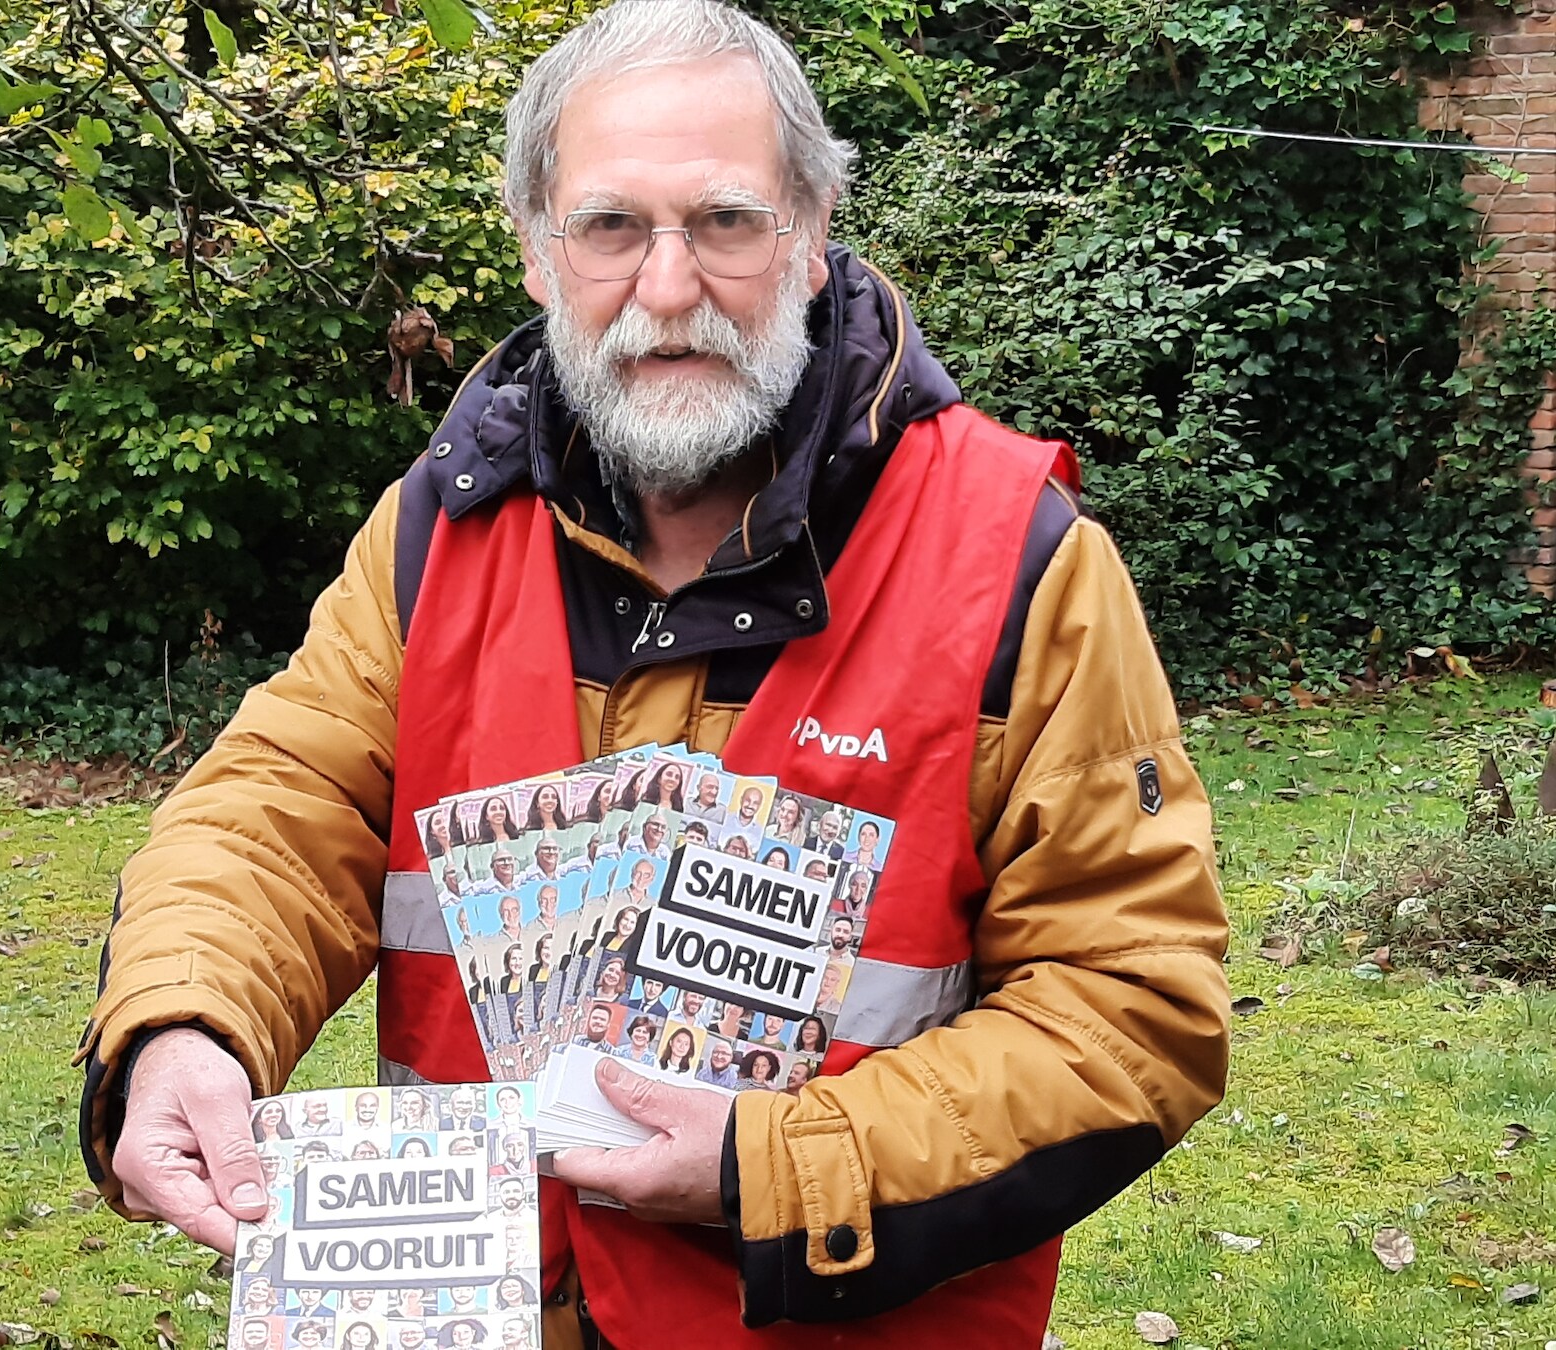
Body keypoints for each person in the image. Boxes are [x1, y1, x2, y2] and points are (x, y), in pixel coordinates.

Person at [88, 5, 1229, 1347]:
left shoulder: (1018, 561)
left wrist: (777, 1168)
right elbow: (277, 808)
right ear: (536, 250)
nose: (670, 286)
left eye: (727, 223)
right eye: (613, 227)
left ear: (811, 237)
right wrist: (179, 1025)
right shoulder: (433, 534)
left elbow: (1133, 1006)